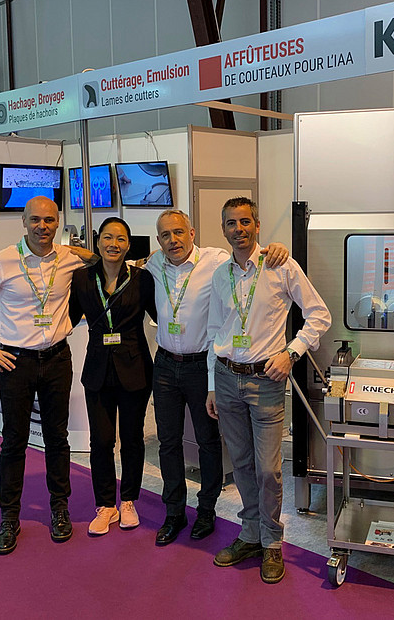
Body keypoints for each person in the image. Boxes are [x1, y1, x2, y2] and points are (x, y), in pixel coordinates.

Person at [0, 196, 96, 555]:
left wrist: (81, 251)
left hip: (57, 359)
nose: (42, 227)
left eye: (49, 220)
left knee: (57, 440)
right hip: (15, 363)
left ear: (58, 222)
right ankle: (9, 517)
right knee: (13, 442)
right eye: (35, 220)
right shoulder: (1, 261)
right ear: (23, 222)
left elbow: (99, 261)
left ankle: (59, 508)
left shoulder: (68, 258)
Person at [144, 209, 288, 546]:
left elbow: (248, 254)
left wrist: (277, 247)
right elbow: (117, 259)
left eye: (179, 232)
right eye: (165, 235)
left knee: (208, 442)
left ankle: (206, 510)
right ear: (159, 241)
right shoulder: (154, 263)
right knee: (168, 442)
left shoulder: (216, 260)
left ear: (192, 233)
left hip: (202, 364)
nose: (173, 240)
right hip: (164, 365)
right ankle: (174, 512)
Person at [206, 197, 331, 584]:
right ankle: (250, 534)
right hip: (226, 377)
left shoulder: (280, 265)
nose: (238, 229)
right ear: (223, 229)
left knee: (268, 470)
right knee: (241, 464)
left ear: (257, 225)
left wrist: (291, 353)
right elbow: (214, 330)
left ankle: (272, 541)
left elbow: (319, 315)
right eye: (231, 223)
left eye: (245, 222)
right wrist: (212, 385)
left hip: (266, 381)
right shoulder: (220, 275)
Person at [69, 217, 157, 536]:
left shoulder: (142, 279)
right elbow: (67, 318)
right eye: (107, 237)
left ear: (128, 245)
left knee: (132, 439)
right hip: (97, 369)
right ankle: (106, 504)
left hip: (135, 368)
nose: (113, 244)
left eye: (120, 239)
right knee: (102, 441)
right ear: (98, 242)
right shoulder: (81, 279)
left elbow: (161, 314)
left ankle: (129, 499)